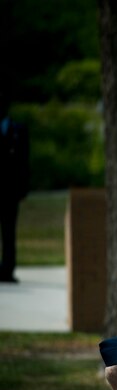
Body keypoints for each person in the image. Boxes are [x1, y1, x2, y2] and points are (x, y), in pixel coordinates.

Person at [0, 89, 29, 283]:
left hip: (10, 192)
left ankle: (8, 269)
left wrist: (22, 188)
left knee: (9, 232)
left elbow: (24, 161)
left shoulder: (19, 130)